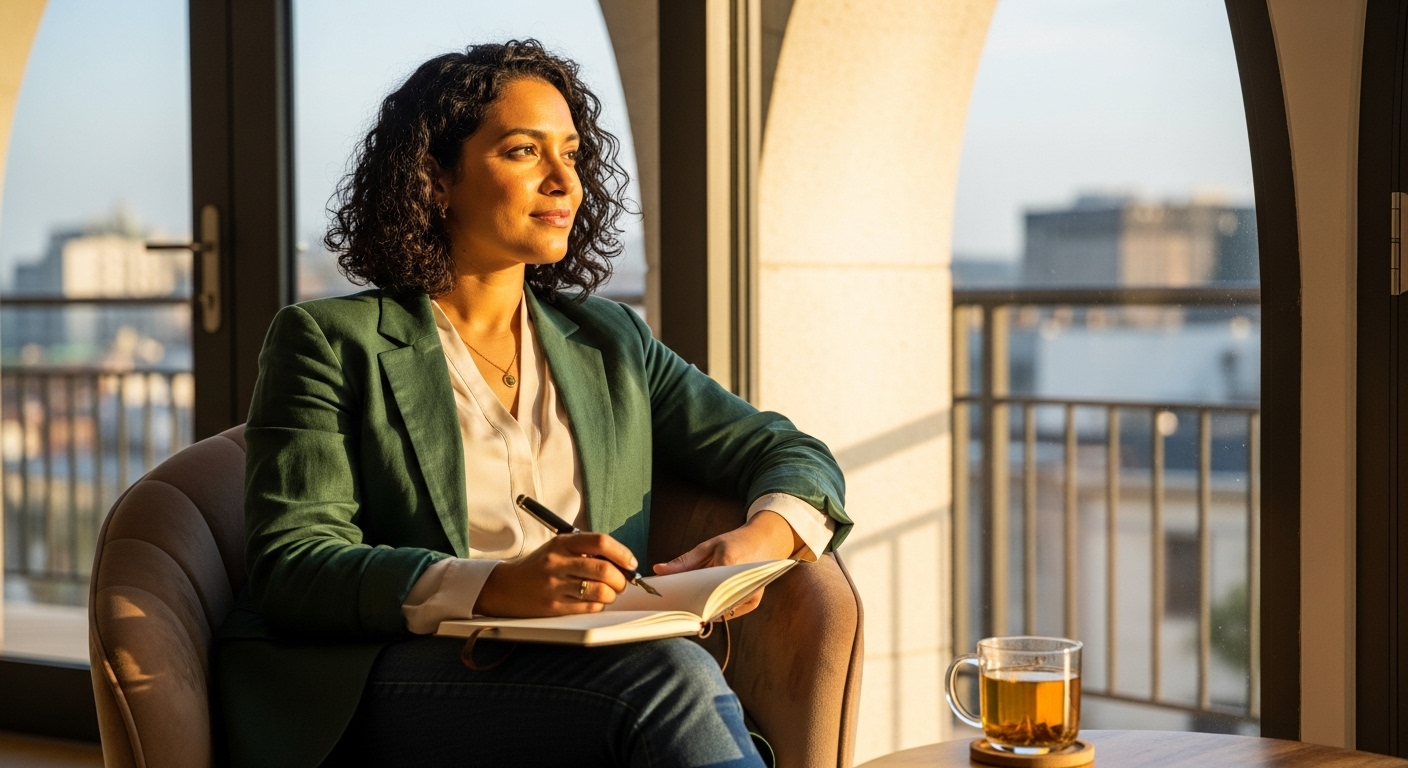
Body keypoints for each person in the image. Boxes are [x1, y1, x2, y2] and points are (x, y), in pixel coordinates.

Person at [215, 40, 850, 768]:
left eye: (572, 155)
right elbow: (293, 564)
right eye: (524, 152)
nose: (564, 182)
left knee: (663, 680)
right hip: (384, 677)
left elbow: (791, 452)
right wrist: (494, 586)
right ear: (436, 178)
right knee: (667, 682)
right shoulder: (326, 341)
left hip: (586, 672)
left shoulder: (610, 340)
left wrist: (761, 540)